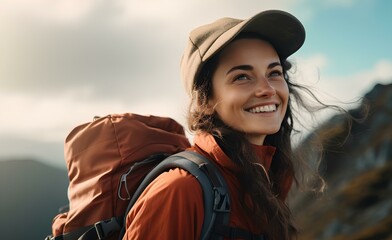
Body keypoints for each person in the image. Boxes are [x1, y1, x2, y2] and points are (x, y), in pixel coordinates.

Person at [124, 9, 324, 240]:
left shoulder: (270, 178)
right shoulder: (180, 190)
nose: (267, 89)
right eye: (242, 77)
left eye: (274, 73)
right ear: (205, 100)